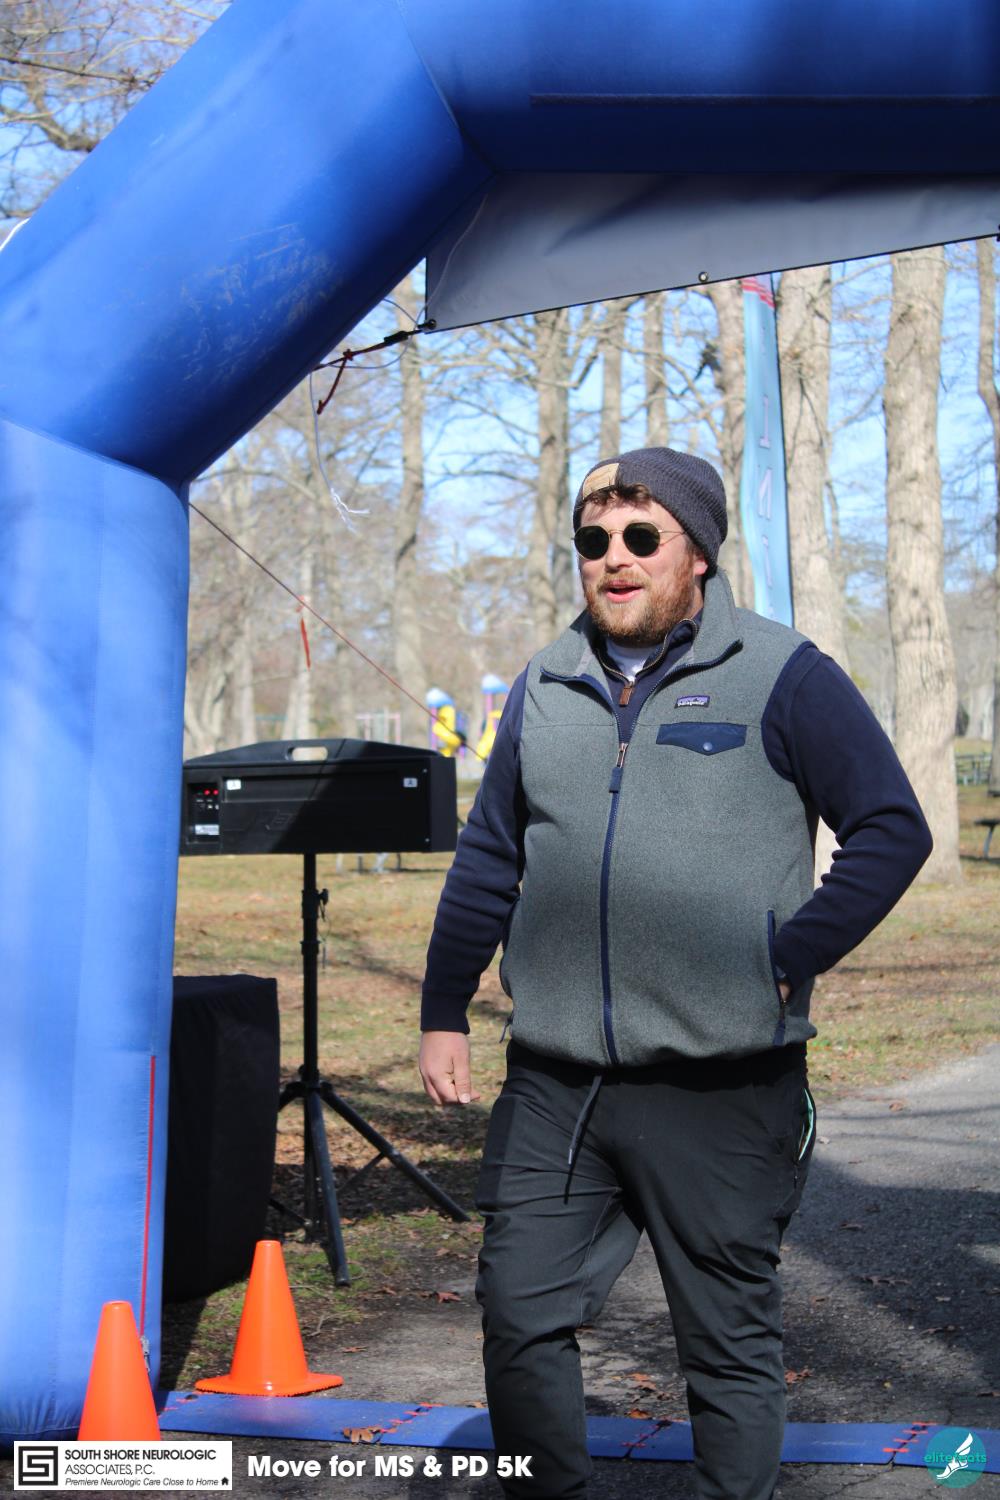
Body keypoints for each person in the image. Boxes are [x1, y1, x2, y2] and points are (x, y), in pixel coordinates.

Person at [419, 446, 932, 1500]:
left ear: (695, 553)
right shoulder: (546, 683)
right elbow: (488, 857)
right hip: (557, 1078)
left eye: (640, 536)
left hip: (721, 1079)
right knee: (518, 1312)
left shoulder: (783, 673)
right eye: (594, 539)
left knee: (726, 1342)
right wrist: (443, 1010)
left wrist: (784, 955)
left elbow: (891, 828)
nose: (614, 558)